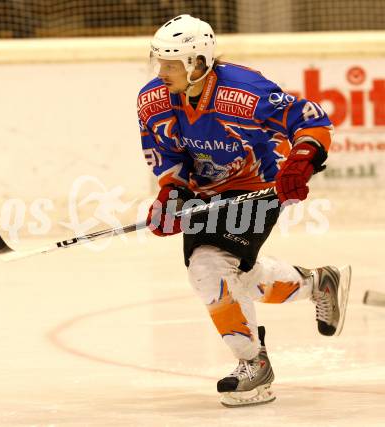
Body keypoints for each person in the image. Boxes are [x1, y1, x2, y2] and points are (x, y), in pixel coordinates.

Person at [137, 14, 351, 407]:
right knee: (241, 277)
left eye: (171, 63)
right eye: (159, 62)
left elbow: (312, 121)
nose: (161, 71)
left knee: (208, 269)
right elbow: (170, 158)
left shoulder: (245, 90)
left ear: (197, 63)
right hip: (207, 191)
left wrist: (301, 161)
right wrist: (171, 193)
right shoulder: (152, 100)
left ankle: (254, 364)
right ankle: (316, 283)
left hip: (259, 187)